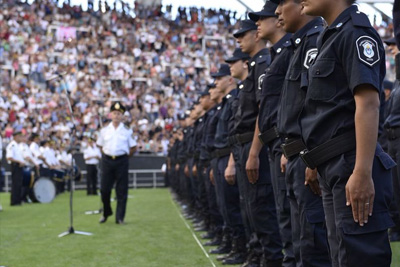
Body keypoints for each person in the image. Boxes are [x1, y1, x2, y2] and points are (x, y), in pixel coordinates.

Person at [300, 1, 396, 266]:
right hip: (334, 165)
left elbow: (368, 104)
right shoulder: (330, 36)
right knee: (341, 256)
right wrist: (315, 160)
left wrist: (363, 171)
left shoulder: (356, 33)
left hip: (352, 162)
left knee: (359, 255)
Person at [271, 0, 331, 266]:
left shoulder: (315, 40)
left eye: (282, 2)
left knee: (313, 242)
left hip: (309, 155)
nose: (276, 12)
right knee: (299, 239)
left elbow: (316, 106)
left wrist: (310, 155)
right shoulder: (298, 45)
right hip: (295, 154)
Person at [232, 18, 283, 266]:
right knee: (251, 206)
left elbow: (262, 112)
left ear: (255, 35)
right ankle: (258, 255)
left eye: (243, 35)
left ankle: (268, 259)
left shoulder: (263, 62)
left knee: (261, 206)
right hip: (248, 145)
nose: (239, 39)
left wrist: (253, 151)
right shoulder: (255, 64)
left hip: (258, 145)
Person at [249, 2, 295, 266]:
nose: (259, 23)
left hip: (285, 143)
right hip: (275, 144)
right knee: (282, 214)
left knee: (289, 217)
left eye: (262, 18)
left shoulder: (285, 54)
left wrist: (290, 145)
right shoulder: (275, 55)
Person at [97, 101, 137, 224]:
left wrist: (124, 158)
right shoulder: (104, 130)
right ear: (110, 114)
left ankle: (120, 217)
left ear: (122, 116)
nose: (116, 116)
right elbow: (100, 145)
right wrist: (106, 155)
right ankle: (106, 211)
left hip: (121, 160)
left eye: (119, 114)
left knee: (121, 190)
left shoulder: (127, 130)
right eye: (114, 113)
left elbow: (133, 147)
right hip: (107, 160)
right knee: (104, 189)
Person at [383, 36, 400, 242]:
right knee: (394, 188)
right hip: (391, 139)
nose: (392, 49)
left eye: (395, 45)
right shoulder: (396, 79)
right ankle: (396, 228)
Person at [6, 131, 25, 206]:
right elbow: (9, 157)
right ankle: (14, 201)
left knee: (19, 183)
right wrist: (19, 162)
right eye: (20, 136)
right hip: (15, 166)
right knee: (16, 184)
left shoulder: (17, 145)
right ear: (16, 136)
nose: (21, 138)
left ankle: (18, 200)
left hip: (19, 166)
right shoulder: (12, 145)